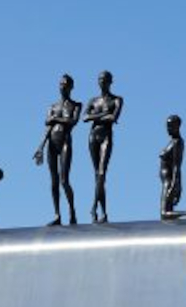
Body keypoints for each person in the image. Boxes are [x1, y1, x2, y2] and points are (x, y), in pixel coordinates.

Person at [33, 74, 82, 226]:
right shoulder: (52, 106)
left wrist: (55, 119)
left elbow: (72, 121)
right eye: (60, 84)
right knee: (53, 181)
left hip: (65, 142)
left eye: (65, 84)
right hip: (51, 144)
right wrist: (40, 146)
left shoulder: (76, 105)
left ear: (71, 87)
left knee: (64, 180)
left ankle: (72, 211)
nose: (62, 87)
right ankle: (57, 214)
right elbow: (47, 124)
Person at [83, 70, 124, 223]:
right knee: (98, 176)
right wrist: (103, 115)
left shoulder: (117, 100)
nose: (102, 82)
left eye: (105, 79)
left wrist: (99, 116)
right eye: (100, 79)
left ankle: (94, 207)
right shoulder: (93, 100)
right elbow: (85, 117)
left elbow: (114, 117)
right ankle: (103, 213)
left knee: (101, 173)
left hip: (106, 136)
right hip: (93, 136)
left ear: (110, 81)